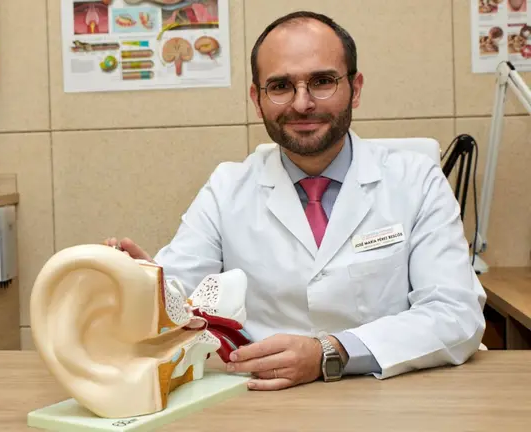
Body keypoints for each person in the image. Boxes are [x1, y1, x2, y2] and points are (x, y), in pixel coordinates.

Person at [105, 11, 486, 391]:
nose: (302, 104)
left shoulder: (416, 180)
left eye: (322, 81)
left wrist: (330, 352)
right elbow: (179, 299)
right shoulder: (227, 188)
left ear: (355, 87)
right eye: (281, 86)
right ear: (257, 98)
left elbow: (455, 312)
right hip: (261, 400)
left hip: (388, 397)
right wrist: (139, 286)